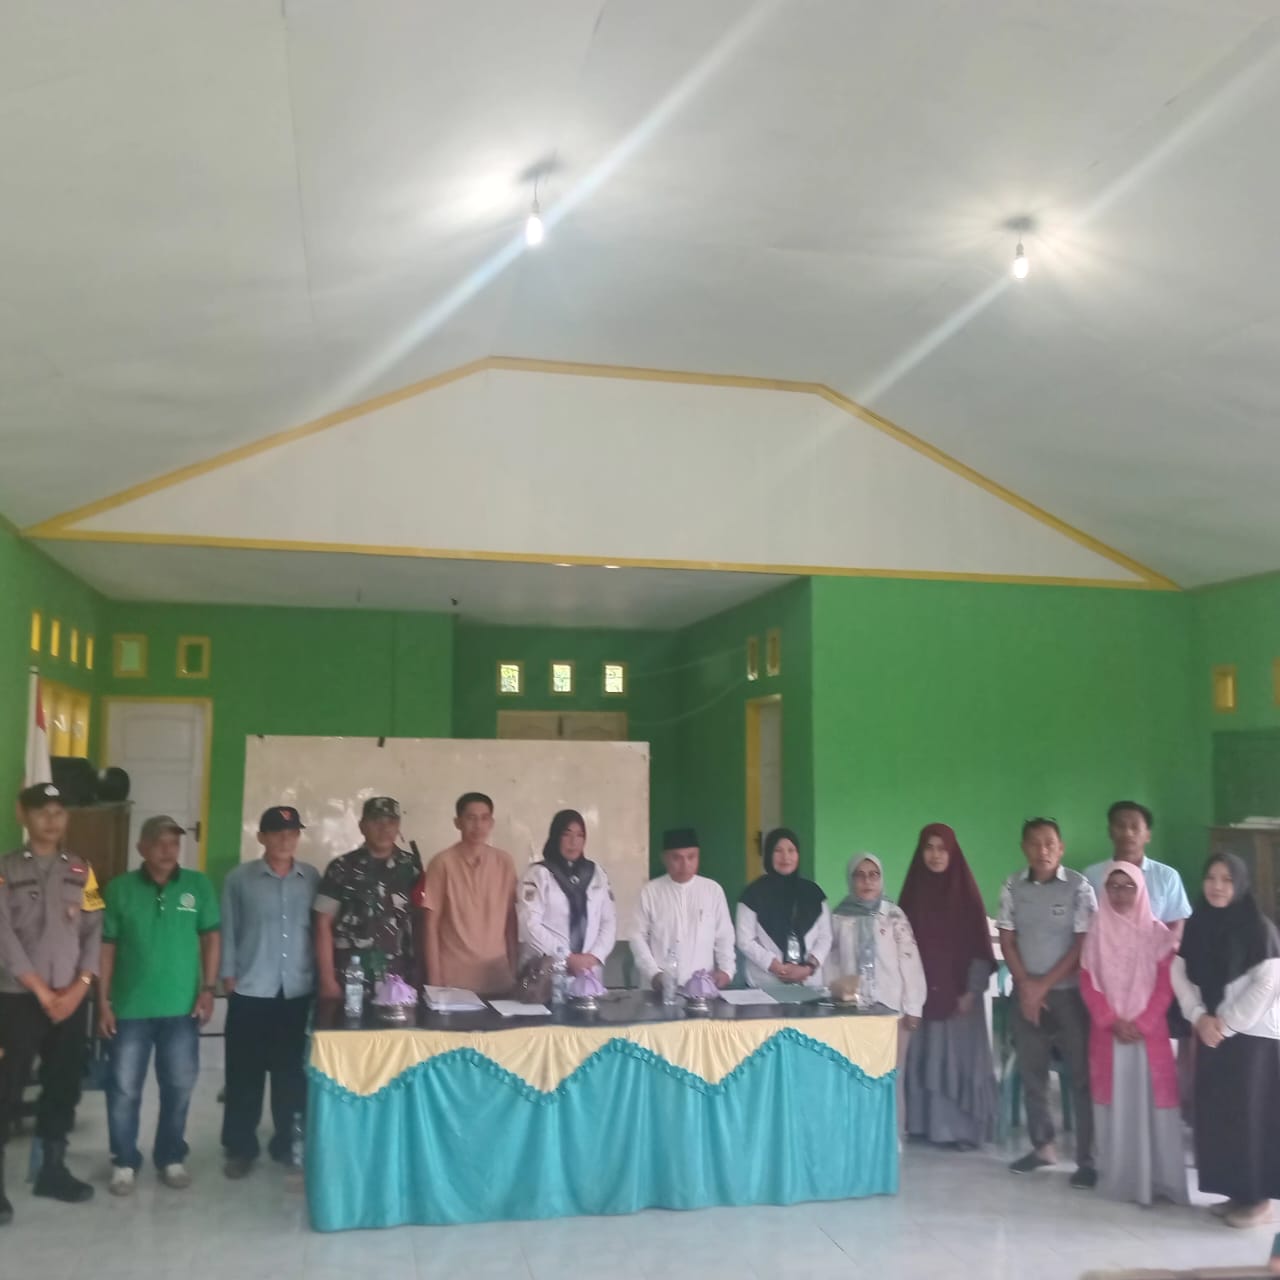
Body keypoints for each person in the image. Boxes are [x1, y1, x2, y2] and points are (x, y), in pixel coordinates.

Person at [99, 815, 220, 1195]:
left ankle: (170, 1157)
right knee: (123, 1089)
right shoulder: (119, 889)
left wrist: (208, 988)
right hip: (129, 1008)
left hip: (182, 1008)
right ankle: (124, 1161)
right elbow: (106, 947)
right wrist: (102, 1000)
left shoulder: (198, 885)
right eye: (159, 842)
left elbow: (211, 937)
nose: (168, 850)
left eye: (174, 842)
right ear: (142, 848)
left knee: (179, 1086)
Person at [0, 783, 103, 1223]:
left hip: (71, 999)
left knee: (63, 1085)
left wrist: (80, 987)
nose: (51, 820)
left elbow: (95, 930)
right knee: (6, 1088)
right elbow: (3, 937)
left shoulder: (82, 870)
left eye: (59, 811)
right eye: (42, 811)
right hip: (18, 999)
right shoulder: (5, 869)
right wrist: (42, 992)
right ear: (22, 815)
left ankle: (52, 1170)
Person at [1173, 852, 1280, 1230]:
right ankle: (1235, 1191)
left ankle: (1259, 1200)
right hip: (1212, 1032)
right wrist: (1199, 1017)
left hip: (1253, 1039)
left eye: (1227, 879)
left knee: (1251, 1116)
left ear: (1241, 884)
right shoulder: (1199, 924)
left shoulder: (1258, 928)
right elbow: (1179, 972)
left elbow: (1267, 984)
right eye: (1211, 878)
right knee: (1221, 1114)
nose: (1217, 886)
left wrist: (1224, 1025)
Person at [219, 805, 319, 1179]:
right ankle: (240, 1147)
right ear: (261, 837)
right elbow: (228, 929)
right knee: (244, 1074)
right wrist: (227, 974)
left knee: (291, 1073)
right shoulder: (239, 879)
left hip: (296, 990)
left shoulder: (311, 878)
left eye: (292, 833)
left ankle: (287, 1143)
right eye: (277, 833)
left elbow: (319, 931)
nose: (285, 840)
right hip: (251, 988)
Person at [997, 817, 1097, 1188]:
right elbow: (1007, 939)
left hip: (1069, 994)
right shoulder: (1012, 885)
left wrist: (1043, 986)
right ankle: (1043, 1147)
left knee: (1081, 1075)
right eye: (1035, 843)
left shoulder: (1079, 887)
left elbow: (1082, 944)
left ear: (1061, 847)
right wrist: (1026, 985)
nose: (1043, 851)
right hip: (1026, 993)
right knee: (1032, 1071)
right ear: (1024, 848)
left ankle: (1088, 1159)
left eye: (1050, 843)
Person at [1079, 862, 1186, 1206]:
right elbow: (1087, 982)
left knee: (1152, 1106)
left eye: (1129, 886)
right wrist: (1111, 1019)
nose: (1121, 893)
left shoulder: (1158, 934)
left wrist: (1142, 1022)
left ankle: (1159, 1182)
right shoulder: (1096, 931)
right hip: (1109, 1034)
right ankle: (1122, 1180)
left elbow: (1166, 986)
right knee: (1116, 1107)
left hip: (1147, 1036)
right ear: (1104, 891)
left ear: (1141, 890)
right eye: (1114, 886)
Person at [898, 823, 998, 1149]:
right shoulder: (912, 895)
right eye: (929, 847)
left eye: (942, 848)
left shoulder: (966, 896)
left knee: (957, 1058)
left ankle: (960, 1130)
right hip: (920, 995)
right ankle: (922, 1125)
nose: (935, 855)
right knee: (924, 1055)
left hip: (960, 996)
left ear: (952, 852)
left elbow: (980, 947)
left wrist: (971, 991)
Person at [829, 853, 926, 1137]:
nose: (867, 881)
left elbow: (910, 961)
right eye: (860, 875)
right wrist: (833, 995)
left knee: (891, 1077)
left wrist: (914, 1006)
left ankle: (893, 1140)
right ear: (851, 880)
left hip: (892, 1011)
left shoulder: (894, 915)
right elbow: (831, 962)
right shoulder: (840, 916)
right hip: (851, 1012)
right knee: (854, 1075)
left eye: (873, 875)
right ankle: (859, 1140)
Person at [314, 796, 422, 997]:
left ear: (398, 826)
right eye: (376, 821)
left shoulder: (412, 868)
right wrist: (327, 980)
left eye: (390, 822)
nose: (384, 828)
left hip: (399, 982)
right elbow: (322, 924)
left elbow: (422, 925)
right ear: (362, 826)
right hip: (351, 979)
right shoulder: (341, 868)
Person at [415, 793, 518, 997]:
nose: (478, 825)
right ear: (458, 822)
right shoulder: (442, 863)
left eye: (484, 818)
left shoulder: (504, 862)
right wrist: (434, 983)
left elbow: (511, 920)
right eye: (471, 818)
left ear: (491, 823)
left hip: (497, 977)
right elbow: (430, 925)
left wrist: (514, 970)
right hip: (453, 980)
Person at [629, 828, 735, 990]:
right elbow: (637, 937)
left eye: (691, 857)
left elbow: (724, 936)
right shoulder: (650, 891)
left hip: (702, 986)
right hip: (659, 987)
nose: (685, 864)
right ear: (664, 858)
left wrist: (726, 970)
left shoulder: (712, 890)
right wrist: (654, 974)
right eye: (677, 858)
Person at [516, 809, 616, 977]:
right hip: (547, 971)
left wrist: (594, 956)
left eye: (579, 835)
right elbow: (529, 924)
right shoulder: (538, 874)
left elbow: (608, 921)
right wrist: (566, 957)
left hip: (589, 971)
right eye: (566, 834)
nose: (573, 842)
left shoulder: (596, 874)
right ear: (556, 837)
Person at [735, 827, 831, 991]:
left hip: (809, 985)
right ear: (768, 855)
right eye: (778, 850)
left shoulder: (814, 893)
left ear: (798, 854)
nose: (785, 857)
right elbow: (745, 940)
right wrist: (774, 966)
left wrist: (808, 968)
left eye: (791, 850)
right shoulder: (753, 893)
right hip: (765, 986)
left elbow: (825, 937)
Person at [1085, 803, 1191, 939]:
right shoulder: (1091, 875)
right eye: (1120, 826)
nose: (1127, 833)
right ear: (1110, 832)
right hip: (1103, 951)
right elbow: (1085, 924)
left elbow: (1177, 925)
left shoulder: (1167, 876)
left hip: (1154, 951)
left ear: (1148, 835)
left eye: (1135, 827)